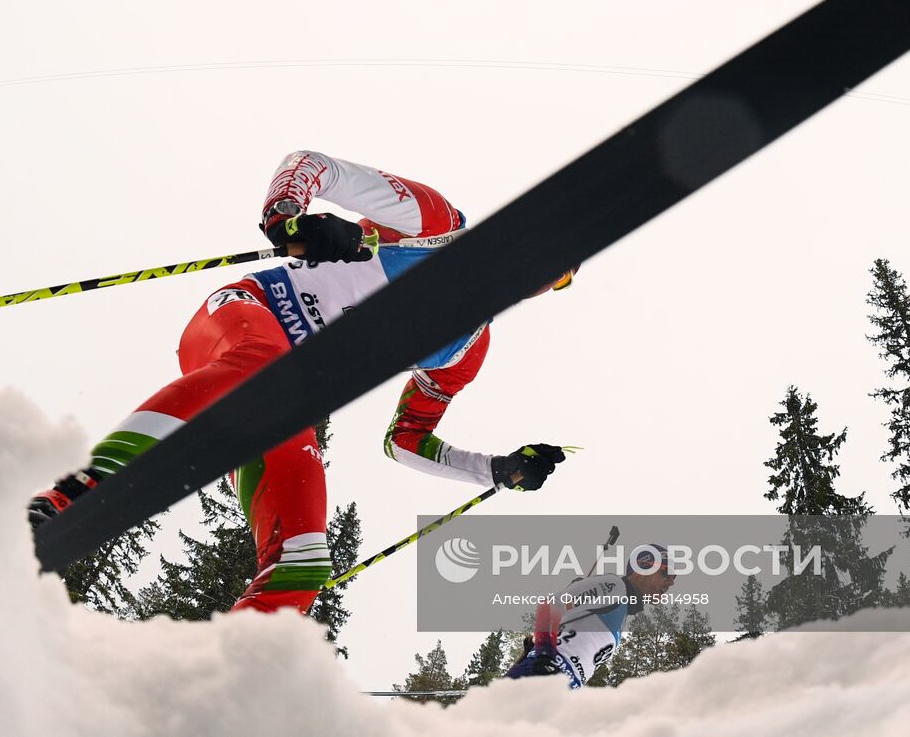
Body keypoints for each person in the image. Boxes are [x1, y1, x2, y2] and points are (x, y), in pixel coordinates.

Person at [28, 151, 572, 614]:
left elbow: (404, 441)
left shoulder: (464, 349)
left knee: (304, 563)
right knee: (264, 364)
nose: (541, 272)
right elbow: (311, 165)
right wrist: (289, 218)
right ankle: (71, 497)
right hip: (244, 317)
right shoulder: (433, 224)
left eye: (558, 275)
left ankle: (219, 681)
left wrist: (494, 470)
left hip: (278, 407)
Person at [505, 544, 677, 688]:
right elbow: (550, 605)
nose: (671, 582)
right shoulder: (615, 586)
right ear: (642, 569)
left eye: (673, 576)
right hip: (547, 671)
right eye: (666, 573)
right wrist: (544, 654)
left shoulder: (622, 608)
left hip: (565, 682)